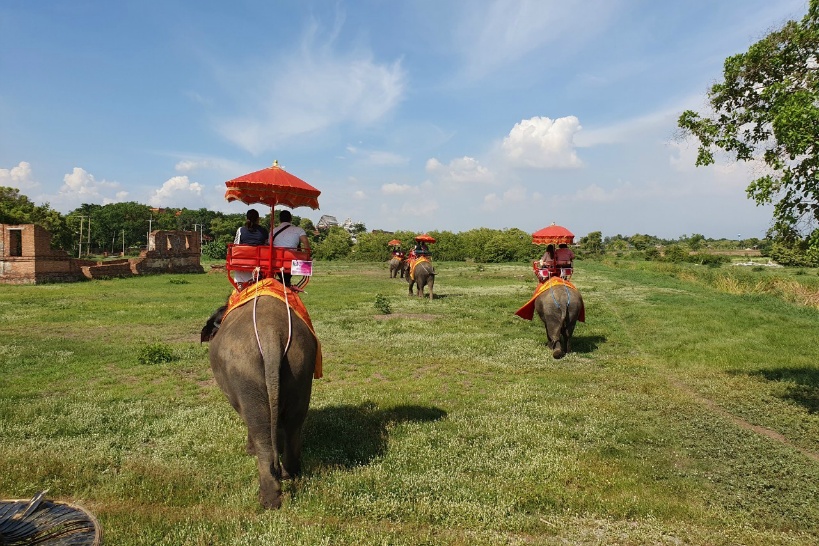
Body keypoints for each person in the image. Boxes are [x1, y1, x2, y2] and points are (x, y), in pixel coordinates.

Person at [270, 210, 311, 286]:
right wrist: (307, 255)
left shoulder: (273, 231)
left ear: (280, 219)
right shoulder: (299, 230)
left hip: (275, 263)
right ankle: (287, 283)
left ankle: (284, 282)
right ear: (290, 219)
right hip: (293, 264)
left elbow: (269, 245)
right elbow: (306, 243)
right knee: (305, 264)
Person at [232, 209, 269, 289]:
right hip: (259, 266)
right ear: (258, 219)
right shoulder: (264, 231)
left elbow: (236, 245)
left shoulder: (241, 230)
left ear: (247, 218)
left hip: (242, 264)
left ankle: (240, 287)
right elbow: (267, 246)